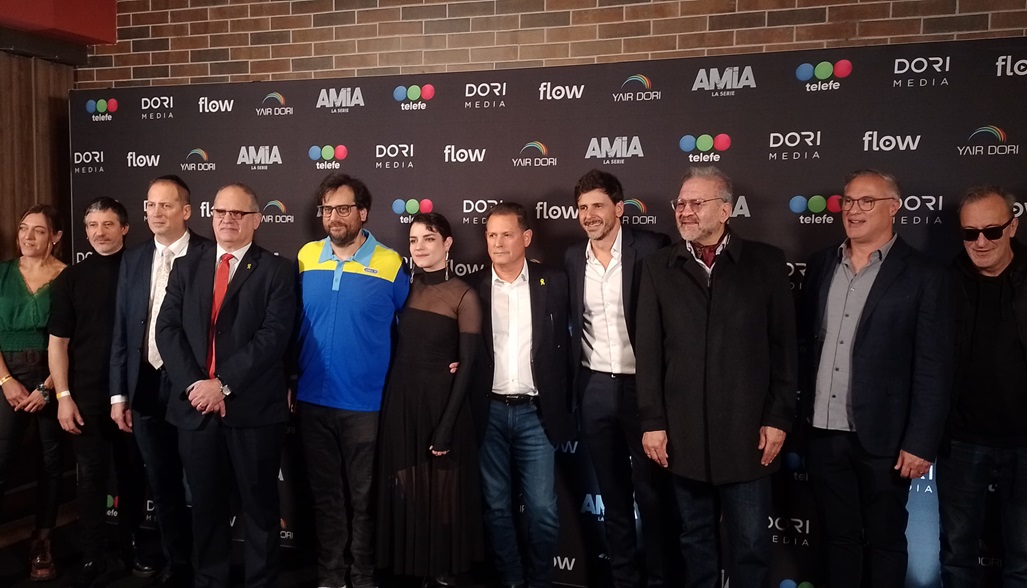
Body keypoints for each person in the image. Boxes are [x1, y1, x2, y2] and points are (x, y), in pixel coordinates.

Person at [636, 166, 797, 588]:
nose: (685, 211)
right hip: (683, 437)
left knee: (750, 546)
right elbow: (649, 354)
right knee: (695, 542)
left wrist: (778, 417)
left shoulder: (766, 262)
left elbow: (784, 349)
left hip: (749, 436)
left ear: (725, 210)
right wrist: (652, 421)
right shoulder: (657, 268)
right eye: (681, 203)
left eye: (696, 203)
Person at [798, 169, 953, 588]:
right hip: (824, 432)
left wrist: (920, 442)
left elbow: (934, 366)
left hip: (886, 440)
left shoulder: (924, 275)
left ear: (894, 208)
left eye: (867, 201)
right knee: (838, 539)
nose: (854, 210)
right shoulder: (820, 265)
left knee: (886, 541)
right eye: (848, 201)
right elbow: (805, 345)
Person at [156, 183, 296, 588]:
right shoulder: (187, 265)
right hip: (195, 409)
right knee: (205, 507)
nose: (228, 220)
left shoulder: (277, 270)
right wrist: (196, 385)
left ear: (257, 220)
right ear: (211, 215)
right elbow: (167, 330)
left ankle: (261, 582)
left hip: (253, 411)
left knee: (260, 509)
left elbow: (273, 338)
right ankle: (209, 579)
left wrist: (224, 385)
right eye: (221, 212)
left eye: (238, 213)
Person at [295, 172, 408, 588]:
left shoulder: (391, 263)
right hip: (312, 400)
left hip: (366, 405)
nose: (334, 217)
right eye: (327, 209)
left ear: (363, 213)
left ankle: (362, 576)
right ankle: (331, 575)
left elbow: (413, 328)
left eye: (343, 208)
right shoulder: (306, 256)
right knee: (326, 498)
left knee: (364, 500)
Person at [563, 169, 670, 588]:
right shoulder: (574, 258)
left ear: (619, 208)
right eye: (582, 208)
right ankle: (624, 578)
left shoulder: (652, 248)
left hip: (643, 391)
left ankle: (660, 579)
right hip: (595, 388)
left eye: (598, 206)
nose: (589, 215)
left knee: (653, 495)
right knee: (612, 496)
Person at [110, 175, 211, 587]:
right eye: (150, 205)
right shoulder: (134, 258)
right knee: (163, 484)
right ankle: (178, 566)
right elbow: (122, 331)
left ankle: (208, 567)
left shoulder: (209, 254)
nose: (156, 213)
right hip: (145, 385)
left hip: (192, 385)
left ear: (186, 211)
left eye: (166, 205)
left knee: (202, 485)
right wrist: (119, 394)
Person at [469, 202, 574, 588]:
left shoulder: (555, 282)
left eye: (507, 234)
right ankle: (512, 580)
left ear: (526, 237)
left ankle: (539, 580)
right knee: (496, 508)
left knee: (543, 510)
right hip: (488, 413)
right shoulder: (472, 288)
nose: (497, 243)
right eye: (492, 235)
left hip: (536, 413)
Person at [49, 197, 152, 587]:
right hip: (86, 396)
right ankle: (93, 554)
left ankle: (132, 546)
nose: (99, 232)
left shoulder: (143, 269)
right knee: (90, 478)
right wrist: (63, 396)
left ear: (125, 228)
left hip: (134, 391)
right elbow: (58, 344)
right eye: (92, 225)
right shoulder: (70, 279)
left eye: (108, 224)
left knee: (133, 475)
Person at [376, 212, 483, 587]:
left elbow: (468, 365)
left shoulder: (464, 295)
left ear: (448, 243)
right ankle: (415, 568)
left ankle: (442, 571)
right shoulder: (404, 288)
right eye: (413, 240)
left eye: (429, 238)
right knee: (407, 489)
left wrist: (447, 426)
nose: (419, 247)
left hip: (442, 405)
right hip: (402, 402)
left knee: (443, 495)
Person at [939, 185, 1027, 587]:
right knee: (956, 555)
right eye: (969, 232)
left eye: (992, 231)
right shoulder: (943, 283)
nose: (980, 242)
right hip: (961, 441)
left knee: (1023, 560)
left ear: (1013, 226)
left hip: (1024, 441)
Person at [0, 204, 65, 581]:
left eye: (39, 230)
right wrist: (6, 381)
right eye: (24, 228)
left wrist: (48, 387)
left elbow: (74, 341)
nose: (27, 236)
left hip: (53, 379)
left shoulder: (69, 278)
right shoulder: (3, 273)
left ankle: (42, 541)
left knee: (51, 464)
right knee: (2, 460)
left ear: (55, 237)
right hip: (6, 377)